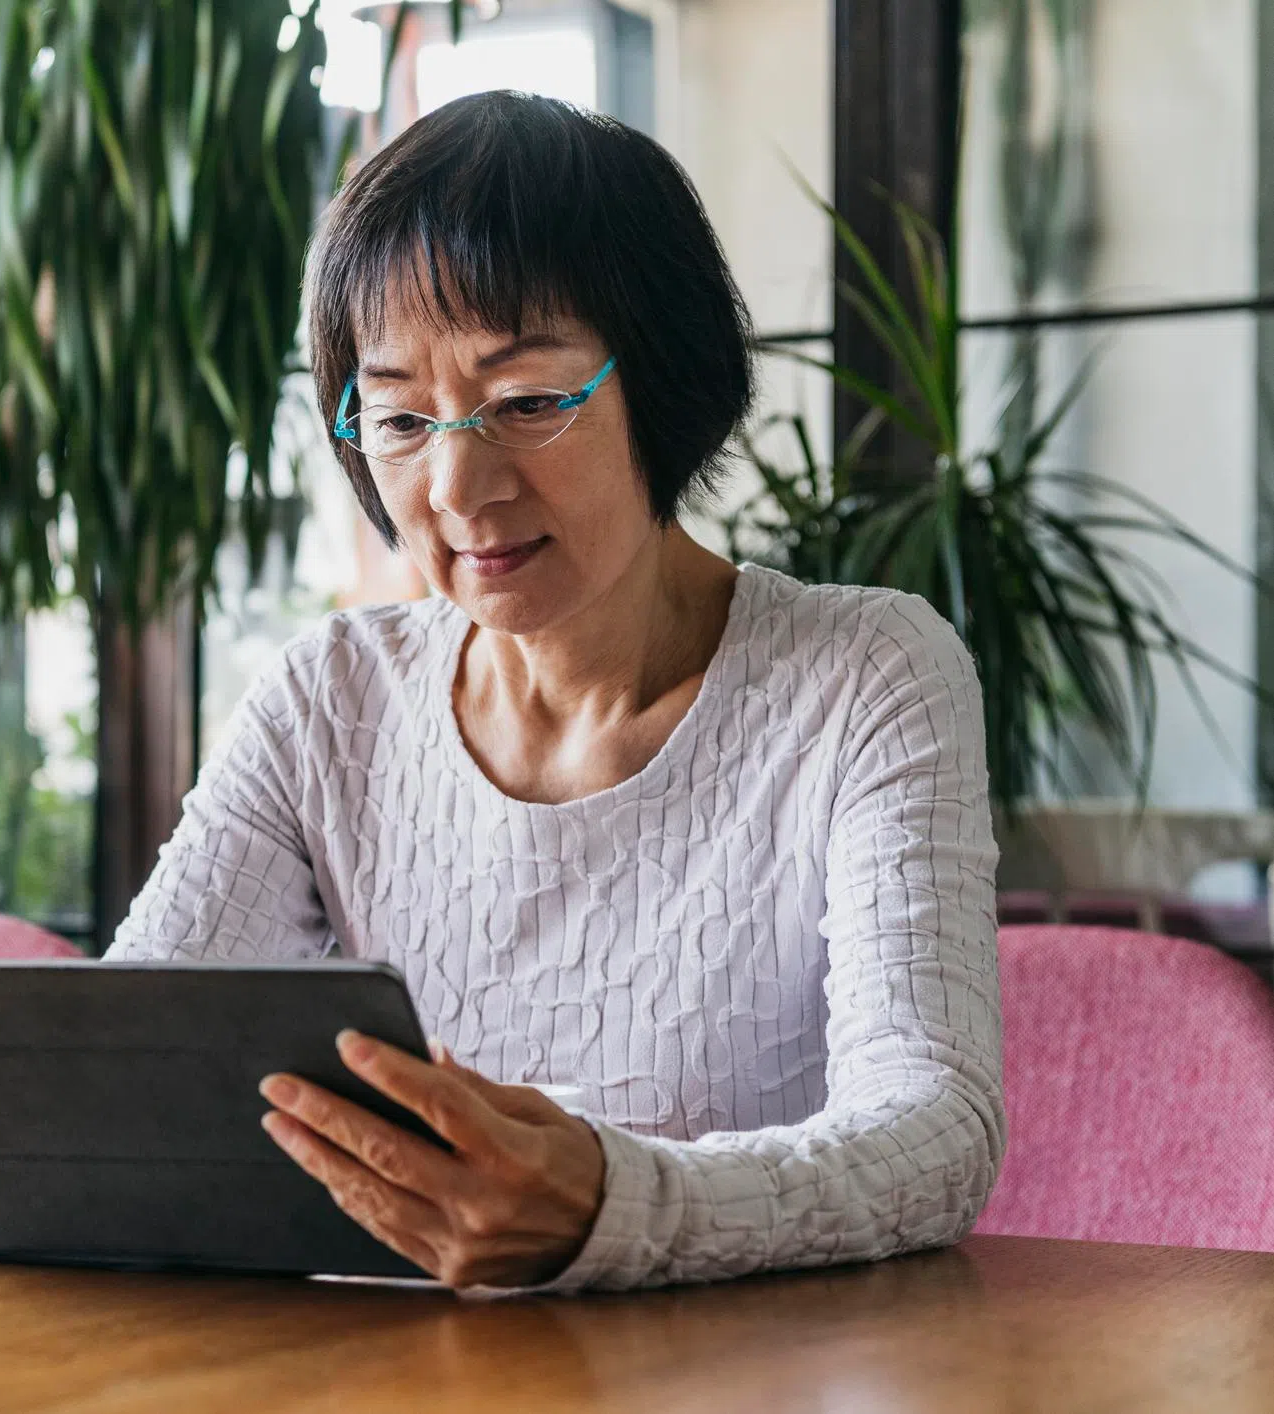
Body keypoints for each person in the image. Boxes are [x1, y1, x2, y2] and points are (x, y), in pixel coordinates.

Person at [106, 91, 1004, 1294]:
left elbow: (933, 1135)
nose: (459, 488)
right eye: (402, 418)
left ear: (668, 384)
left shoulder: (863, 677)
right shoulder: (330, 700)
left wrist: (611, 1206)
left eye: (527, 401)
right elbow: (118, 1072)